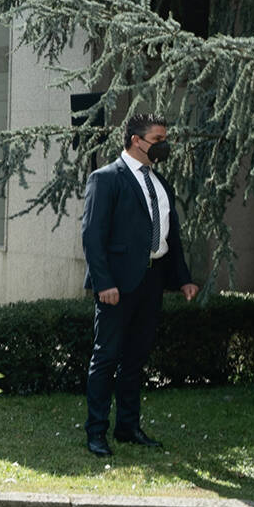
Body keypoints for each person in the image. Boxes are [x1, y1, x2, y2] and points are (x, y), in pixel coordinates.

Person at [82, 113, 199, 457]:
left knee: (135, 358)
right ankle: (96, 431)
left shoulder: (161, 183)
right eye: (158, 139)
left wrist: (183, 278)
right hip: (116, 284)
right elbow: (92, 236)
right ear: (136, 140)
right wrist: (103, 282)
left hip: (153, 280)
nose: (164, 145)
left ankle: (128, 427)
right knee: (106, 357)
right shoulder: (105, 179)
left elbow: (169, 235)